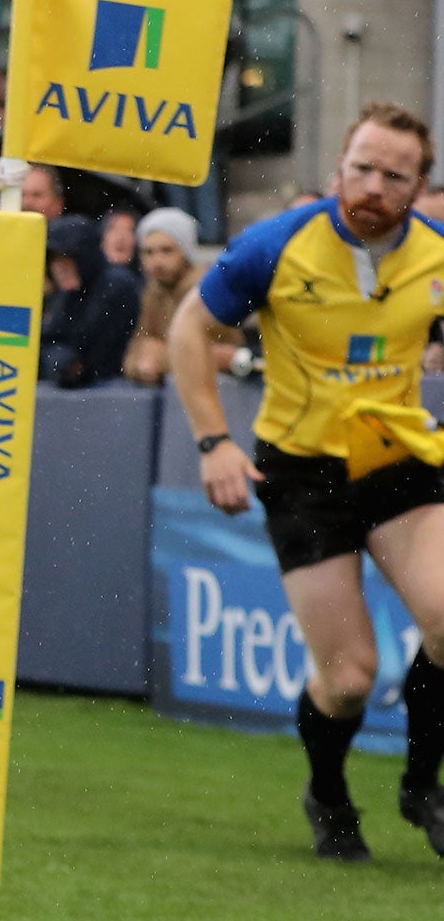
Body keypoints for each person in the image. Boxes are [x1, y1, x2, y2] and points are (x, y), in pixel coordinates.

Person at [170, 102, 444, 861]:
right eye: (362, 166)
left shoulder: (438, 253)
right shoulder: (275, 246)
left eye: (395, 174)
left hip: (398, 458)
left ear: (420, 187)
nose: (374, 184)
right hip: (303, 471)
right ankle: (328, 793)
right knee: (350, 677)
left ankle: (424, 786)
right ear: (337, 169)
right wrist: (214, 442)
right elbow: (188, 329)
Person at [122, 208, 241, 385]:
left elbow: (219, 356)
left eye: (167, 250)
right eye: (149, 252)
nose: (157, 261)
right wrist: (145, 360)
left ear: (186, 251)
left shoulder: (205, 289)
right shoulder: (153, 292)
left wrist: (157, 358)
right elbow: (133, 356)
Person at [39, 215, 141, 388]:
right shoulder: (68, 293)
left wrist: (61, 361)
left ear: (84, 257)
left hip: (114, 389)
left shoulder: (117, 285)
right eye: (54, 259)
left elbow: (89, 361)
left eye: (67, 257)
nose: (59, 267)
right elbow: (50, 341)